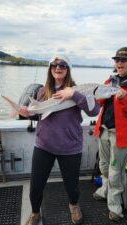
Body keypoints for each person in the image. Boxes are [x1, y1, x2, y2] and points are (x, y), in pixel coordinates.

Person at [19, 55, 100, 225]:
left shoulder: (78, 90)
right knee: (36, 186)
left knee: (72, 186)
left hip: (70, 147)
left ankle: (74, 206)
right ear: (50, 69)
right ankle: (35, 212)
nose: (58, 67)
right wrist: (27, 113)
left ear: (67, 69)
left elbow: (94, 112)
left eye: (62, 64)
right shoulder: (42, 91)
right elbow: (40, 116)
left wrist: (74, 94)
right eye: (54, 65)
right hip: (44, 146)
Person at [93, 47, 127, 221]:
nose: (119, 63)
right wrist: (98, 94)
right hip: (104, 130)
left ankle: (115, 206)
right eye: (117, 60)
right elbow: (100, 102)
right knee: (103, 165)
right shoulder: (110, 80)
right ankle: (105, 190)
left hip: (121, 136)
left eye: (123, 60)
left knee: (116, 171)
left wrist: (125, 97)